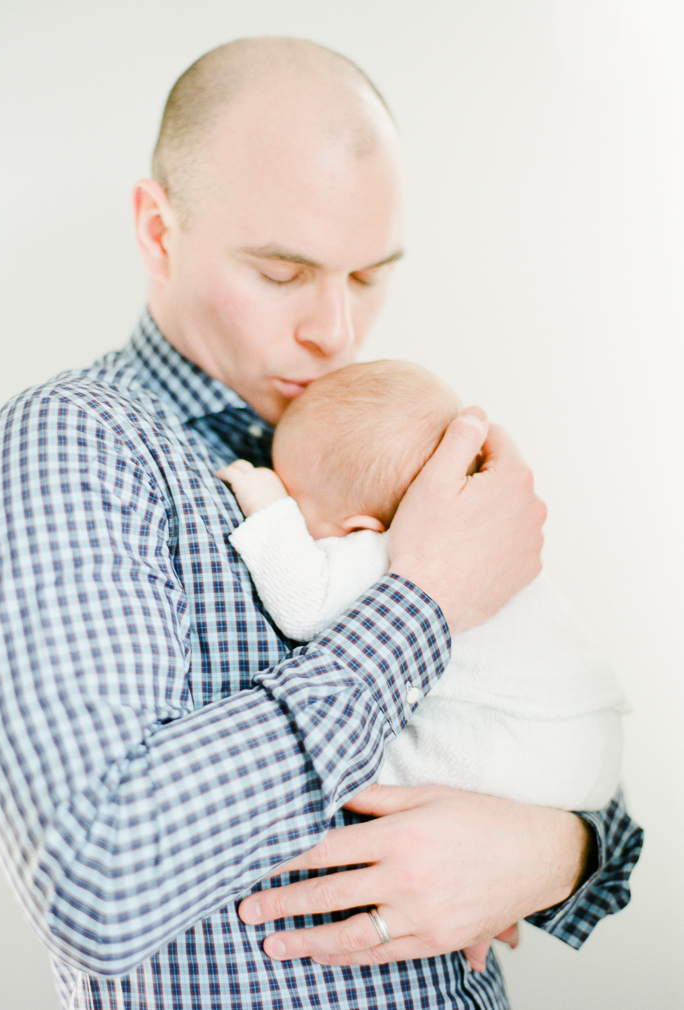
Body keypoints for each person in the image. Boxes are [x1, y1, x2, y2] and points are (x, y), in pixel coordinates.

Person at [0, 36, 642, 1010]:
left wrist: (557, 849)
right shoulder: (68, 447)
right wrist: (425, 599)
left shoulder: (386, 429)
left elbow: (529, 718)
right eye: (282, 272)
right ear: (156, 230)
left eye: (367, 276)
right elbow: (96, 884)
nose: (336, 331)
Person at [219, 358, 627, 974]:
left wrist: (264, 499)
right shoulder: (486, 536)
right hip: (578, 751)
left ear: (360, 528)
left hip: (525, 757)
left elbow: (303, 605)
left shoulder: (389, 547)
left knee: (370, 773)